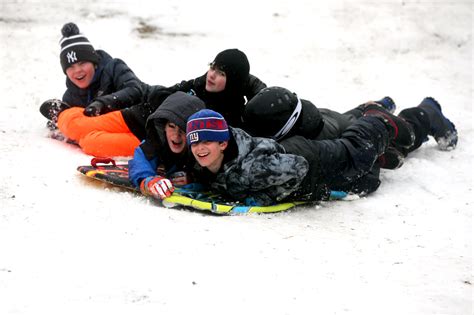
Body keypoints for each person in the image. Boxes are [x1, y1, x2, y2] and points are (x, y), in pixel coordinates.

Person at [185, 107, 434, 206]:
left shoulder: (252, 167)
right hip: (310, 158)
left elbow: (298, 167)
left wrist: (261, 198)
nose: (200, 149)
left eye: (207, 141)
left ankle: (415, 116)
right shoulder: (212, 163)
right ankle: (380, 154)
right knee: (369, 176)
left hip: (325, 161)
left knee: (369, 145)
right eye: (195, 143)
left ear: (223, 143)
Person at [242, 86, 458, 169]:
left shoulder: (311, 142)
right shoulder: (297, 125)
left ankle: (427, 112)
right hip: (325, 118)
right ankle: (375, 106)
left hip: (335, 127)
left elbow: (348, 151)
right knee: (348, 118)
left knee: (404, 136)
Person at [39, 22, 156, 157]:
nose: (77, 71)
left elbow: (135, 90)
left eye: (82, 63)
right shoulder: (71, 97)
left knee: (80, 126)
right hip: (131, 135)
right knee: (89, 141)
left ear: (94, 62)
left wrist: (103, 103)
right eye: (70, 67)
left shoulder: (113, 68)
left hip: (148, 114)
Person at [128, 92, 205, 200]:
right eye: (172, 126)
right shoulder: (157, 140)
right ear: (164, 127)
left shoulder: (201, 147)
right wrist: (149, 181)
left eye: (183, 130)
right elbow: (140, 161)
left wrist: (193, 179)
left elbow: (211, 174)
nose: (176, 135)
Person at [168, 48, 266, 128]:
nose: (211, 75)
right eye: (212, 67)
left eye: (221, 74)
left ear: (232, 83)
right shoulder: (192, 88)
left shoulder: (235, 119)